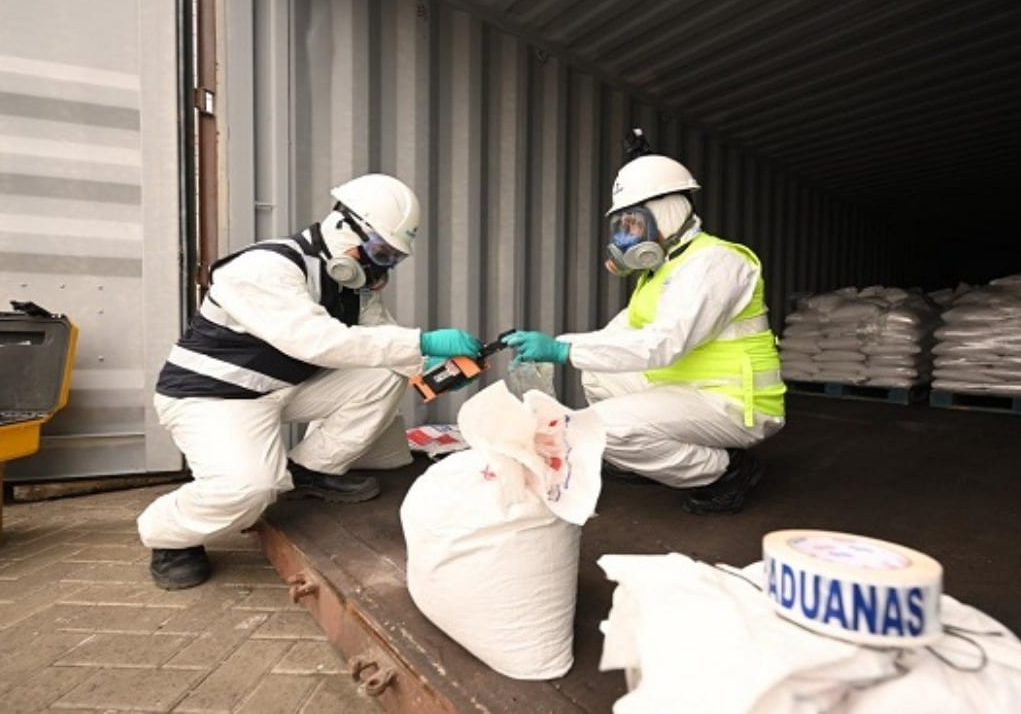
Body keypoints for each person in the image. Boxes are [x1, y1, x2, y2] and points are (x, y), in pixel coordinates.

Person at [139, 173, 482, 590]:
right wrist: (422, 341)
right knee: (251, 488)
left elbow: (382, 341)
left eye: (392, 258)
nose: (381, 267)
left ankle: (309, 471)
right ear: (343, 226)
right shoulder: (263, 267)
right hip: (214, 397)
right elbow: (315, 341)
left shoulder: (352, 284)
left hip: (279, 388)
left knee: (385, 371)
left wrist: (434, 370)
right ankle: (170, 536)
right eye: (379, 252)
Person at [503, 147, 786, 515]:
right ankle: (650, 458)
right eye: (622, 227)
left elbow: (664, 344)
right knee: (598, 371)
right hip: (688, 390)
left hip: (734, 401)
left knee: (605, 429)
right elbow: (615, 337)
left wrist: (562, 352)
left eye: (634, 224)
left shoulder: (716, 263)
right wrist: (555, 347)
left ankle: (725, 471)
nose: (627, 238)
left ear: (667, 213)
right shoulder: (661, 273)